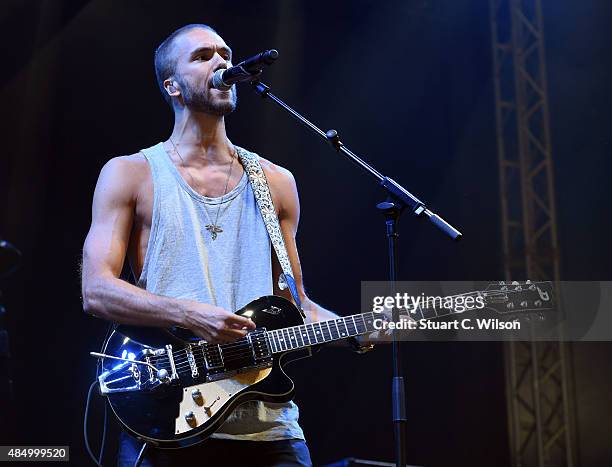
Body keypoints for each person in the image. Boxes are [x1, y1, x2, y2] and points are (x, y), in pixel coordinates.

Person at [81, 23, 362, 466]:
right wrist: (190, 312)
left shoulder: (276, 182)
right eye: (203, 56)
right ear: (171, 85)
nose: (222, 62)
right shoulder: (130, 173)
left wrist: (356, 330)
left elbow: (296, 303)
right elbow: (96, 291)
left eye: (226, 54)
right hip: (168, 418)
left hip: (270, 428)